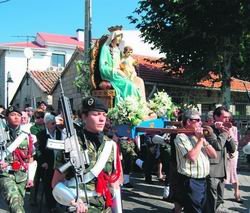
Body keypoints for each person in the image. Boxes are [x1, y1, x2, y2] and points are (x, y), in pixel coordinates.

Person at [52, 96, 123, 213]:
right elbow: (56, 183)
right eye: (96, 114)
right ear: (84, 116)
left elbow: (114, 184)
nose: (101, 119)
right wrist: (73, 200)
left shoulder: (111, 145)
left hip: (105, 206)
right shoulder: (71, 145)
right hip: (80, 207)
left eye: (104, 115)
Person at [174, 109, 217, 213]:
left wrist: (203, 140)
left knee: (203, 209)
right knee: (194, 210)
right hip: (190, 181)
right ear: (189, 121)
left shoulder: (197, 136)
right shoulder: (181, 137)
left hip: (203, 180)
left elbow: (214, 155)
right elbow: (192, 157)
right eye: (197, 120)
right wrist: (201, 140)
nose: (200, 122)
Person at [0, 106, 37, 213]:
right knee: (15, 203)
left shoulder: (27, 136)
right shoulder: (1, 134)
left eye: (18, 115)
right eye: (12, 115)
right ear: (6, 118)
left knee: (19, 204)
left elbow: (31, 158)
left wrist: (31, 177)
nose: (16, 117)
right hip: (6, 174)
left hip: (22, 175)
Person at [204, 106, 236, 213]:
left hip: (222, 171)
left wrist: (229, 136)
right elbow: (217, 145)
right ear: (216, 117)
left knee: (220, 199)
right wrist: (224, 133)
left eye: (228, 118)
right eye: (224, 117)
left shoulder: (224, 130)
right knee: (211, 199)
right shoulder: (208, 129)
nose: (227, 120)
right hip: (212, 171)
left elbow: (232, 149)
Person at [99, 25, 141, 104]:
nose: (120, 38)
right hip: (110, 76)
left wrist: (127, 71)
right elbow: (102, 67)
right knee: (129, 85)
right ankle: (129, 106)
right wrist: (116, 71)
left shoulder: (118, 50)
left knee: (136, 84)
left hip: (119, 75)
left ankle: (138, 105)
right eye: (118, 36)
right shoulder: (105, 48)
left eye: (121, 36)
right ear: (113, 36)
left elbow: (120, 65)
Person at [36, 113, 63, 212]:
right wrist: (42, 162)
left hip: (60, 164)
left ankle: (58, 203)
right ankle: (51, 206)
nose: (54, 125)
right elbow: (38, 150)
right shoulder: (41, 135)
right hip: (48, 164)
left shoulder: (60, 133)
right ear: (46, 124)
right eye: (52, 123)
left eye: (54, 123)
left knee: (59, 184)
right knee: (48, 185)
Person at [225, 116, 241, 202]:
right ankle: (220, 194)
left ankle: (237, 193)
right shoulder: (221, 127)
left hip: (232, 153)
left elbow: (236, 142)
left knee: (233, 173)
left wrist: (232, 152)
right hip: (224, 153)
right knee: (223, 174)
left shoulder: (234, 129)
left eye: (228, 119)